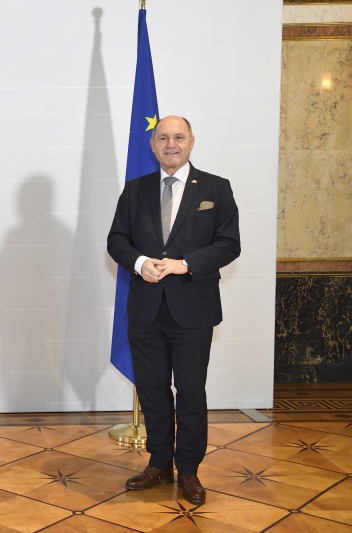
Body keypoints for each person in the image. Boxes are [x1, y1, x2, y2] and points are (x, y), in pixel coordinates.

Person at [107, 116, 240, 505]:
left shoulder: (216, 188)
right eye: (163, 137)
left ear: (192, 142)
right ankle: (159, 462)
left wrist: (186, 264)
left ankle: (190, 470)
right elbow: (117, 240)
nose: (171, 144)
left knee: (191, 393)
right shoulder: (135, 190)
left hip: (193, 310)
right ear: (153, 145)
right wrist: (138, 263)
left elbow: (229, 244)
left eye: (178, 137)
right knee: (152, 391)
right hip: (145, 309)